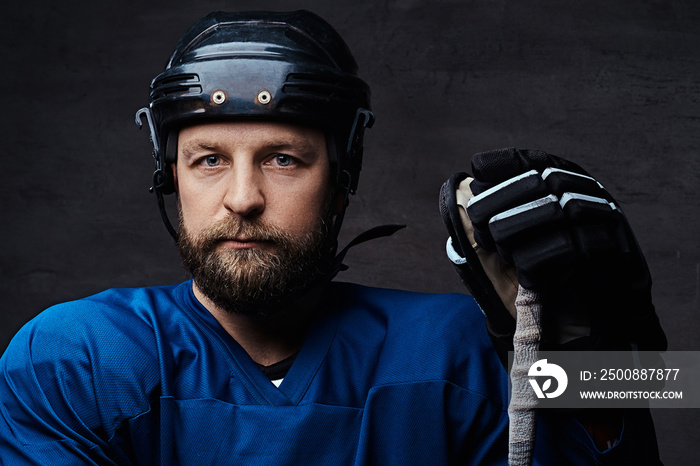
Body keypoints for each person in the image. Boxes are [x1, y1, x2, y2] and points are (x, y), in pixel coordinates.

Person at [0, 10, 666, 465]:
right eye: (208, 159)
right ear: (169, 175)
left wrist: (607, 369)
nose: (241, 198)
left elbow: (665, 400)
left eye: (283, 158)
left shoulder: (465, 342)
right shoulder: (72, 359)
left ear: (342, 175)